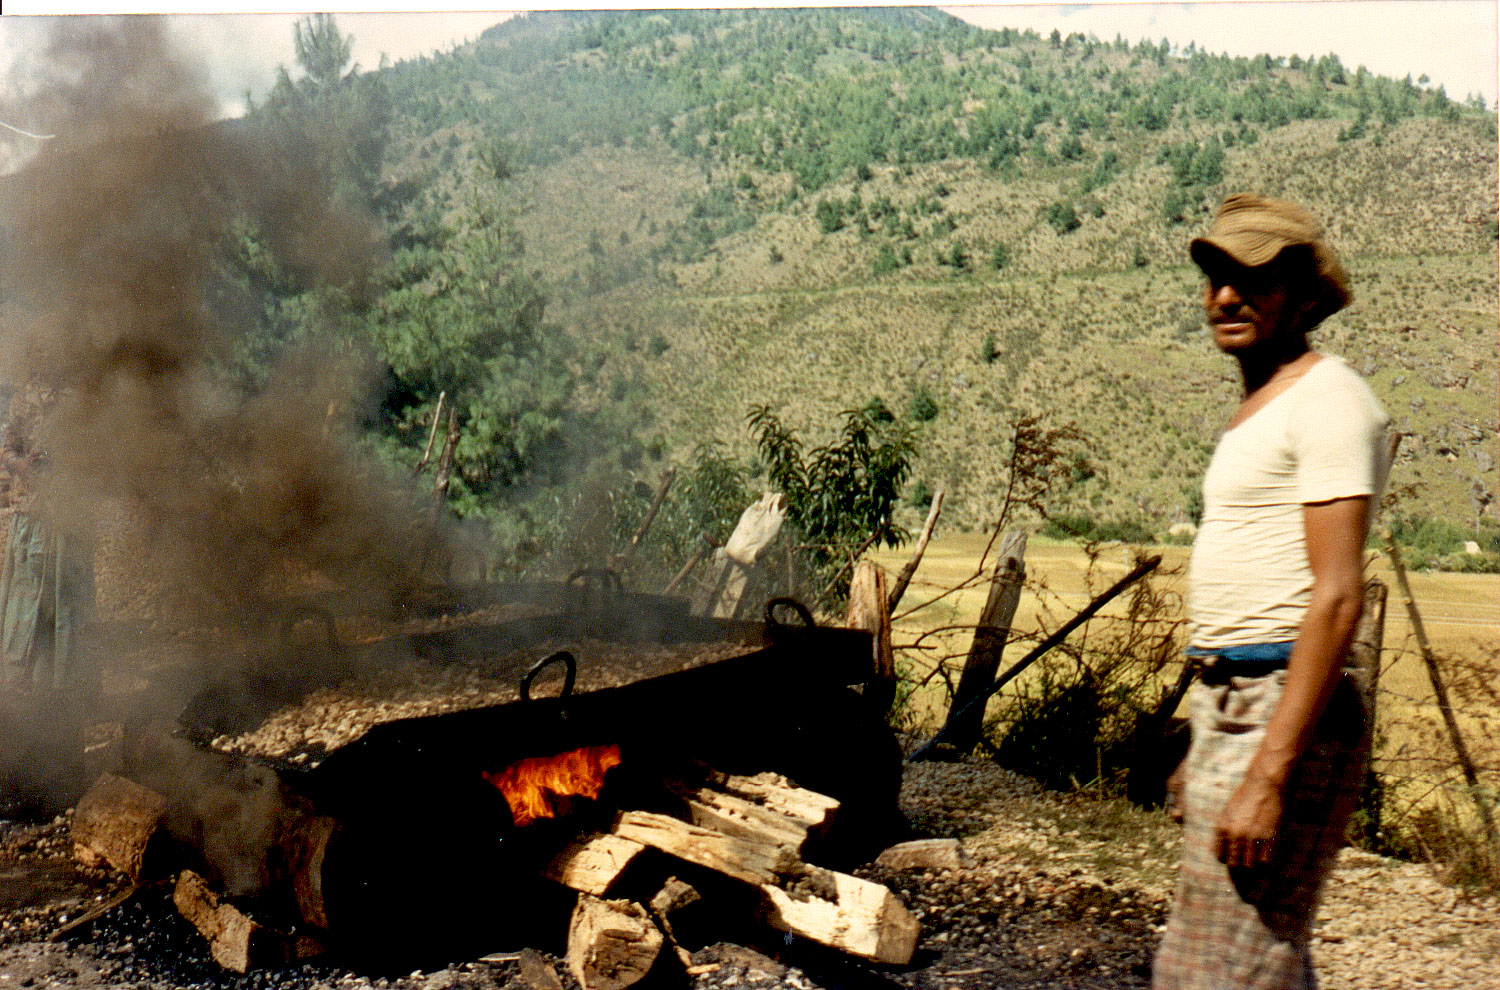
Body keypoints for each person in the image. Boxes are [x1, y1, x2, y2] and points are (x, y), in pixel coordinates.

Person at [1153, 194, 1391, 990]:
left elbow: (1335, 600)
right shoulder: (1263, 405)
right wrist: (1206, 739)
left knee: (1230, 971)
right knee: (1229, 959)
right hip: (1238, 700)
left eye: (1252, 279)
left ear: (1305, 293)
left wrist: (1266, 774)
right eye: (1216, 277)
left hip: (1285, 704)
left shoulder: (1331, 401)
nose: (1226, 296)